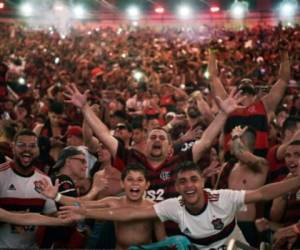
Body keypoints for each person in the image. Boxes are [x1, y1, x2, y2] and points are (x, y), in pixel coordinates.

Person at [63, 83, 245, 235]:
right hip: (139, 233)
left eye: (162, 137)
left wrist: (223, 114)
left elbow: (205, 141)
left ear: (169, 148)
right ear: (145, 143)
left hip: (175, 233)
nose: (157, 139)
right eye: (153, 137)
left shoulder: (180, 161)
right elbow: (103, 133)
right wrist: (85, 108)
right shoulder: (132, 158)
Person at [59, 160, 300, 250]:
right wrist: (84, 211)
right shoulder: (173, 205)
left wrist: (296, 181)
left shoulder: (222, 197)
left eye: (194, 179)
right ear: (176, 186)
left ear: (202, 182)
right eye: (183, 182)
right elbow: (129, 214)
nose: (189, 186)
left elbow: (262, 193)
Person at [42, 163, 167, 250]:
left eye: (140, 180)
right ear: (122, 184)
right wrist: (57, 197)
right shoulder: (114, 202)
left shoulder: (154, 208)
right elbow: (82, 203)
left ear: (147, 185)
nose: (135, 183)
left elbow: (162, 241)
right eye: (130, 179)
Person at [208, 48, 290, 161]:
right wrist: (212, 53)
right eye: (243, 91)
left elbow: (283, 80)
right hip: (231, 165)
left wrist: (284, 54)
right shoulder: (227, 106)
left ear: (255, 95)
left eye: (248, 92)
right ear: (237, 92)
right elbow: (213, 78)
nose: (246, 95)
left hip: (258, 166)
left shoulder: (264, 106)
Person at [0, 129, 57, 248]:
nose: (27, 149)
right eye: (21, 145)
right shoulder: (1, 174)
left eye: (32, 146)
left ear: (38, 150)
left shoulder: (45, 180)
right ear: (12, 147)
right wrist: (15, 217)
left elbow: (52, 216)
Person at [228, 125, 268, 247]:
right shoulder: (232, 166)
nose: (229, 142)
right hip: (229, 223)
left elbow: (240, 153)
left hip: (247, 225)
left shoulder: (261, 164)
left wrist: (235, 136)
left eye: (233, 139)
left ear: (242, 142)